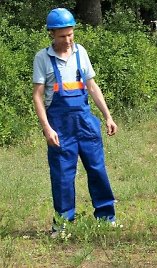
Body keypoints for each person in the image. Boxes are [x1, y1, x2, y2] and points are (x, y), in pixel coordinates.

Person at [32, 8, 117, 234]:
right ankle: (63, 224)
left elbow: (92, 86)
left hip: (86, 124)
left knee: (97, 169)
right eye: (62, 36)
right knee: (62, 175)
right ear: (52, 33)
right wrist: (47, 128)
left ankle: (106, 216)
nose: (68, 40)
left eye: (71, 34)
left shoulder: (81, 52)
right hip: (59, 127)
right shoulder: (43, 58)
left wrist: (107, 116)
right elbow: (37, 96)